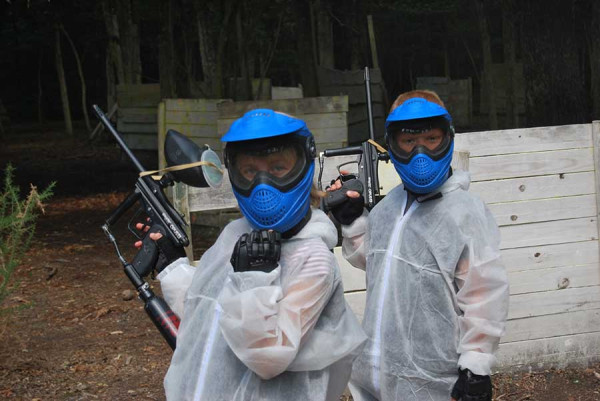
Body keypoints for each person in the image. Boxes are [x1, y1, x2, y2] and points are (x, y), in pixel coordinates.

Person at [136, 108, 366, 401]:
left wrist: (256, 280)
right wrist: (173, 265)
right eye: (249, 171)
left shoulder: (312, 258)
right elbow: (206, 313)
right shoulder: (234, 234)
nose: (262, 185)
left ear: (303, 163)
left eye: (278, 168)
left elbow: (268, 358)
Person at [327, 90, 509, 401]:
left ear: (448, 139)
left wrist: (476, 365)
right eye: (409, 142)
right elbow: (377, 262)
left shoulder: (466, 215)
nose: (420, 154)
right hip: (374, 372)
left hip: (433, 380)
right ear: (393, 144)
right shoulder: (388, 208)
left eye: (431, 139)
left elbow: (484, 296)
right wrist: (353, 222)